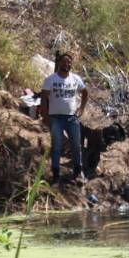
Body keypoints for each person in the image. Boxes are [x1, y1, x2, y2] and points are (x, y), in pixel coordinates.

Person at [39, 51, 89, 184]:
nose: (66, 64)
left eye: (68, 62)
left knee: (76, 146)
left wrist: (81, 108)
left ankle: (77, 174)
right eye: (63, 62)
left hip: (72, 118)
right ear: (59, 63)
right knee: (56, 146)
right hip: (55, 118)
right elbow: (43, 97)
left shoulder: (75, 79)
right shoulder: (50, 79)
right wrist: (45, 114)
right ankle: (55, 175)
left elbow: (85, 93)